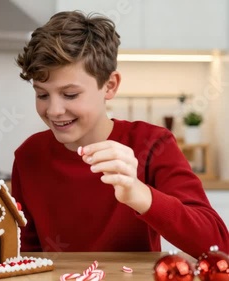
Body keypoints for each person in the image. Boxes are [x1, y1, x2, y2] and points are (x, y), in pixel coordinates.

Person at [12, 10, 228, 258]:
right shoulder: (29, 155)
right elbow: (25, 255)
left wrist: (139, 194)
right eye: (42, 95)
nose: (54, 110)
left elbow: (218, 245)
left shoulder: (153, 144)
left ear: (110, 86)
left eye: (70, 94)